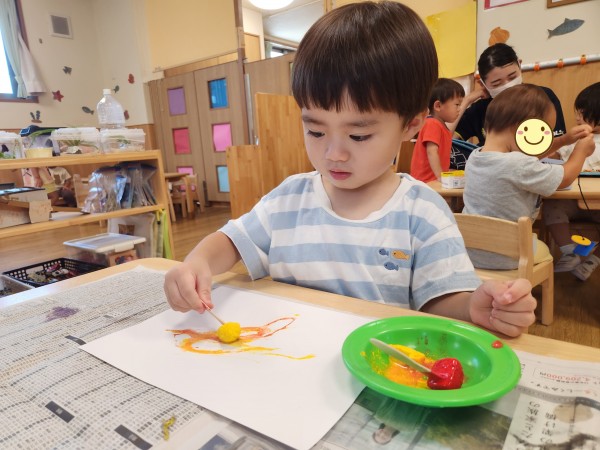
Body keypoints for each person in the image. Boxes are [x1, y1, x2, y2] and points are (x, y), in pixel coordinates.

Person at [164, 1, 538, 338]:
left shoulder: (421, 212)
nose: (334, 154)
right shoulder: (288, 200)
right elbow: (231, 241)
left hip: (374, 372)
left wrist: (473, 307)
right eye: (315, 131)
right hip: (286, 361)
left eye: (358, 135)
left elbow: (440, 300)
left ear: (410, 125)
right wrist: (197, 263)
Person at [462, 84, 594, 270]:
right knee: (545, 250)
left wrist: (564, 140)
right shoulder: (519, 164)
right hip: (508, 257)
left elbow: (528, 155)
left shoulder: (475, 157)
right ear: (521, 128)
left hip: (471, 253)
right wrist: (580, 151)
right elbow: (565, 178)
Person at [455, 43, 585, 154]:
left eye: (512, 77)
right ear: (483, 83)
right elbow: (448, 140)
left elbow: (555, 147)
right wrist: (467, 100)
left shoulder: (542, 98)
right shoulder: (480, 108)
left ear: (519, 64)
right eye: (496, 84)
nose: (508, 85)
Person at [543, 82, 600, 281]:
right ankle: (569, 251)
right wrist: (554, 150)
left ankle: (593, 260)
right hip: (571, 201)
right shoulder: (575, 138)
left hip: (597, 203)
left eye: (582, 113)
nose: (577, 118)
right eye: (577, 112)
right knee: (551, 205)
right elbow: (555, 154)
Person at [410, 78, 466, 182]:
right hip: (425, 181)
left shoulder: (441, 126)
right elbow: (431, 151)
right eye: (457, 105)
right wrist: (440, 176)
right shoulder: (432, 124)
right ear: (438, 106)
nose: (459, 109)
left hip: (433, 180)